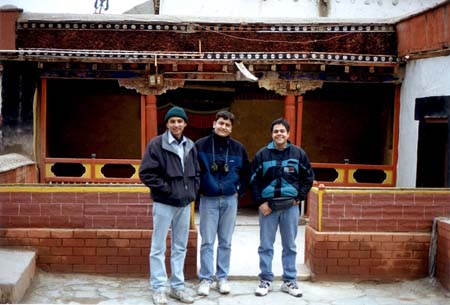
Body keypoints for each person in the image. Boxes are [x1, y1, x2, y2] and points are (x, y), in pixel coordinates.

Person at [139, 106, 200, 305]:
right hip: (164, 203)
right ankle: (158, 288)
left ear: (185, 124)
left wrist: (191, 191)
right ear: (166, 124)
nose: (176, 124)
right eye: (172, 121)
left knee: (180, 247)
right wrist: (167, 190)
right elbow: (146, 173)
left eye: (179, 121)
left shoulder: (190, 145)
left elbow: (197, 172)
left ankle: (177, 287)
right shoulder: (157, 144)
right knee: (158, 247)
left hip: (184, 204)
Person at [250, 118, 314, 298]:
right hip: (268, 207)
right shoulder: (262, 155)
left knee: (290, 245)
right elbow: (253, 181)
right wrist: (260, 202)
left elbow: (308, 177)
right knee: (266, 246)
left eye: (282, 131)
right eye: (276, 131)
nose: (279, 134)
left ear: (288, 134)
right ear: (272, 134)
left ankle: (290, 281)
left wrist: (299, 198)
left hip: (290, 207)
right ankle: (265, 280)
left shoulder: (298, 154)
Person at [195, 110, 250, 296]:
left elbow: (246, 174)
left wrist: (238, 192)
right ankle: (205, 278)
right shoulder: (200, 146)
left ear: (231, 128)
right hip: (208, 199)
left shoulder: (238, 148)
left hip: (229, 199)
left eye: (227, 125)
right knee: (207, 242)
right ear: (214, 124)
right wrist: (199, 191)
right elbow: (194, 171)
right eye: (220, 123)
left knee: (226, 242)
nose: (223, 127)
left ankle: (222, 278)